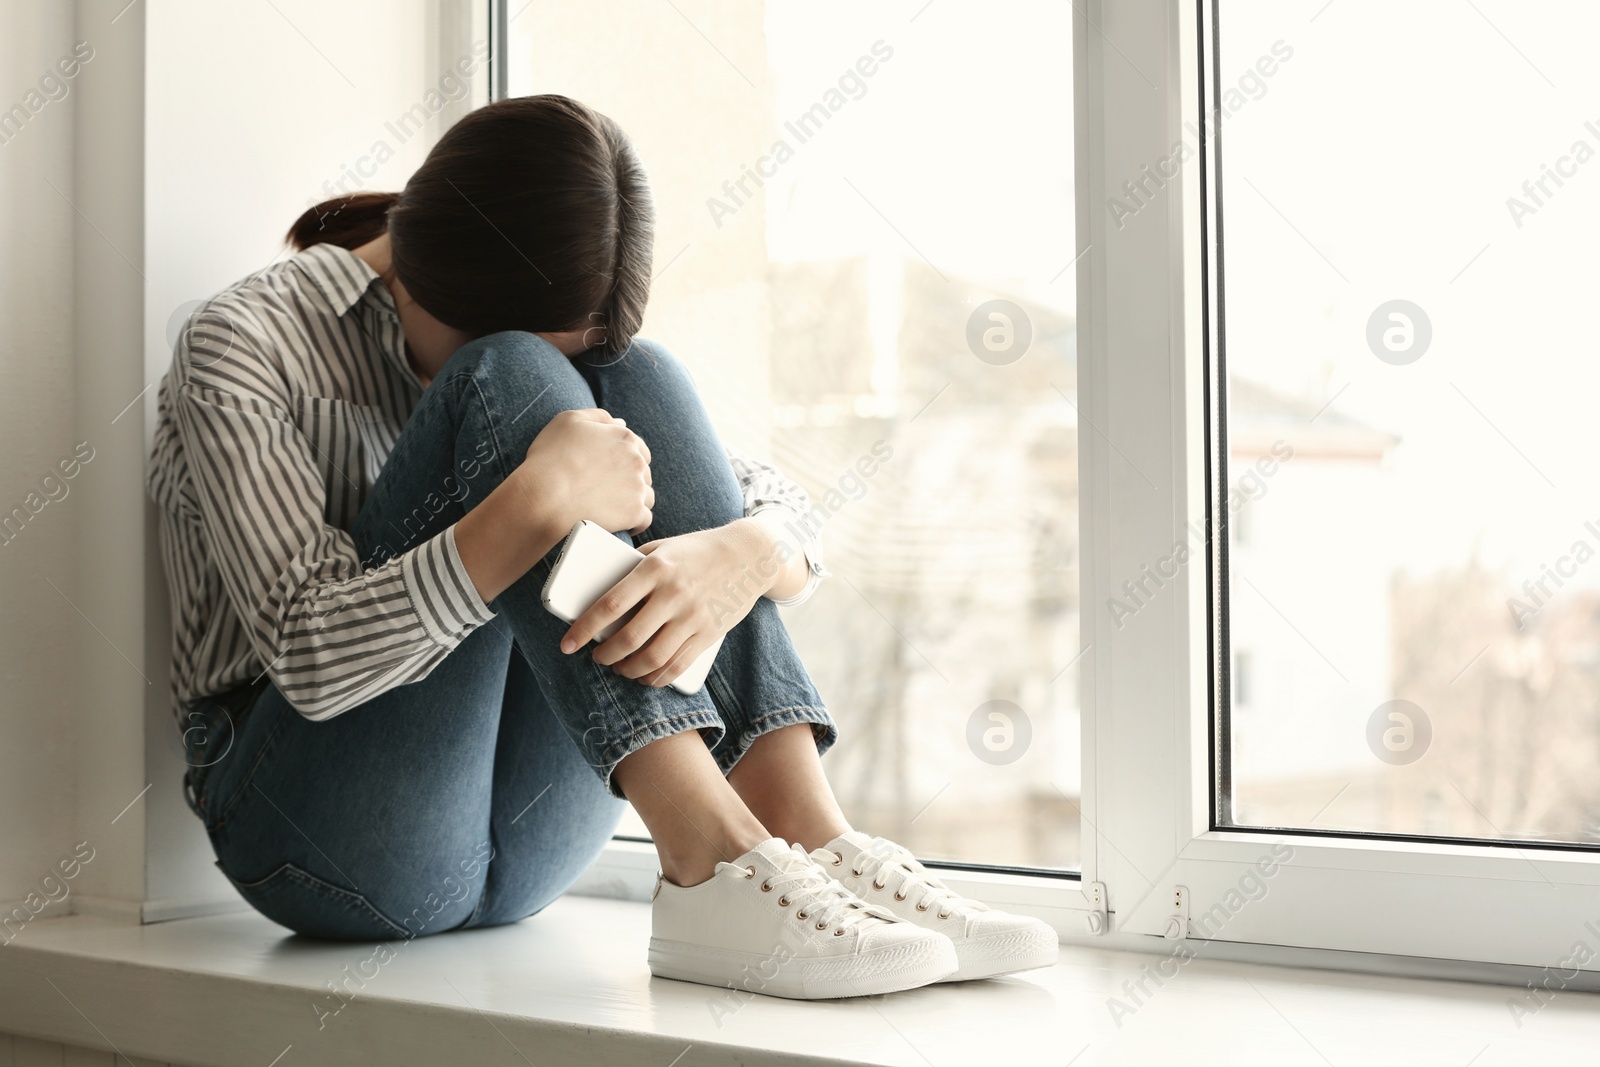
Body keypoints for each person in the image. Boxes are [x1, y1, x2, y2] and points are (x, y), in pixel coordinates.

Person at [148, 94, 1056, 1000]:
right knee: (507, 378)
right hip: (319, 837)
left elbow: (782, 504)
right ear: (421, 279)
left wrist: (740, 555)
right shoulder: (242, 341)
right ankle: (709, 856)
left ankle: (806, 832)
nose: (549, 375)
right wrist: (534, 498)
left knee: (639, 372)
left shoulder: (548, 312)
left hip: (535, 841)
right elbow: (309, 658)